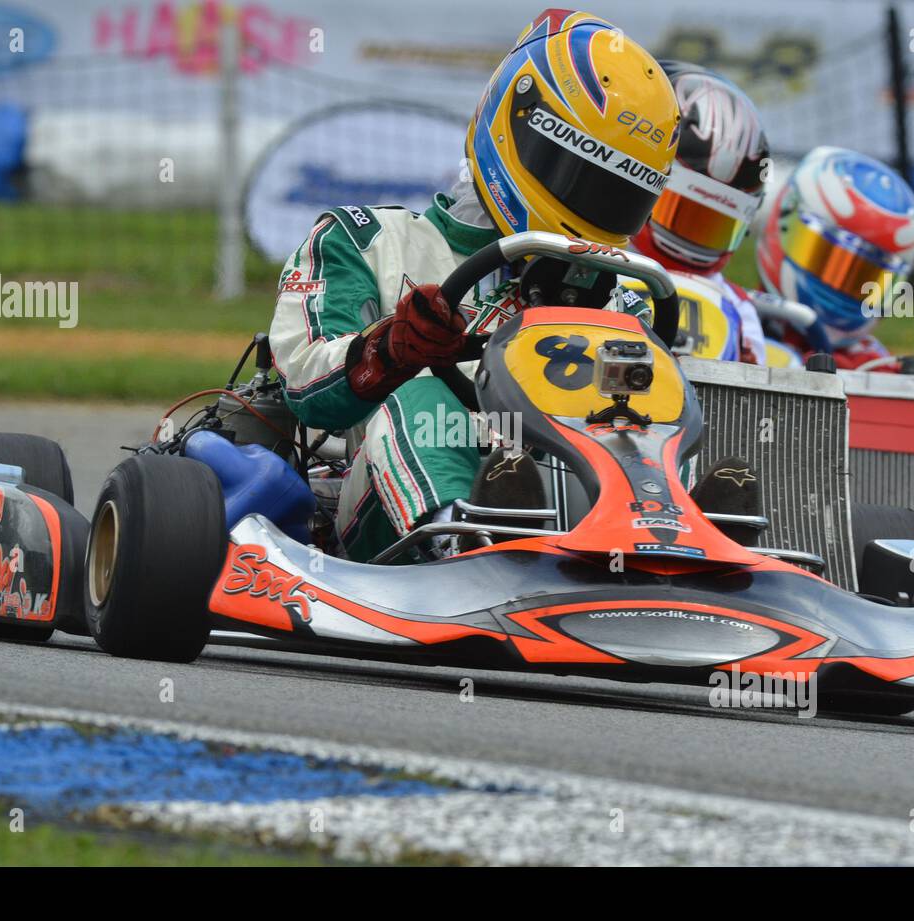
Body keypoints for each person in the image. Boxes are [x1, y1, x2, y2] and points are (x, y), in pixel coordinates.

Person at [269, 9, 680, 562]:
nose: (590, 208)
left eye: (614, 194)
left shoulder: (624, 294)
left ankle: (684, 548)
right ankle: (464, 543)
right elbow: (303, 387)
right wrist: (391, 348)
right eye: (578, 179)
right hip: (383, 521)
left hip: (584, 502)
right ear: (514, 130)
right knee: (421, 394)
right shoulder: (367, 241)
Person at [629, 62, 771, 366]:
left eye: (714, 223)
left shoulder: (738, 308)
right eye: (682, 211)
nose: (692, 234)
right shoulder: (590, 257)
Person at [756, 146, 914, 370]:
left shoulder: (876, 370)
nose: (841, 287)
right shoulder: (736, 328)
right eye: (828, 262)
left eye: (864, 280)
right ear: (784, 226)